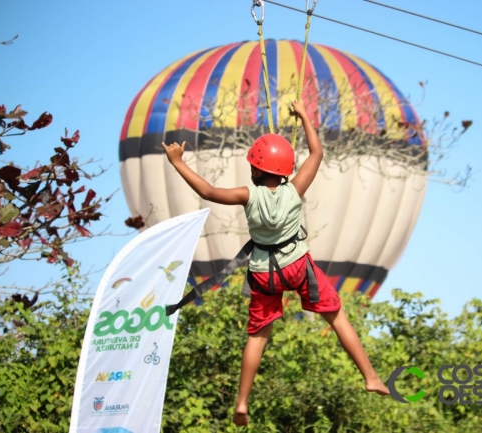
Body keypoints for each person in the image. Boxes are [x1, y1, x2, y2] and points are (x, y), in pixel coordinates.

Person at [161, 100, 390, 427]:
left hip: (263, 273)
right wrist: (305, 116)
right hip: (298, 266)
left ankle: (241, 403)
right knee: (337, 317)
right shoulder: (295, 189)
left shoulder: (247, 195)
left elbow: (208, 191)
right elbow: (317, 154)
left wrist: (177, 161)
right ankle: (370, 376)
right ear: (283, 171)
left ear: (255, 169)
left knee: (257, 336)